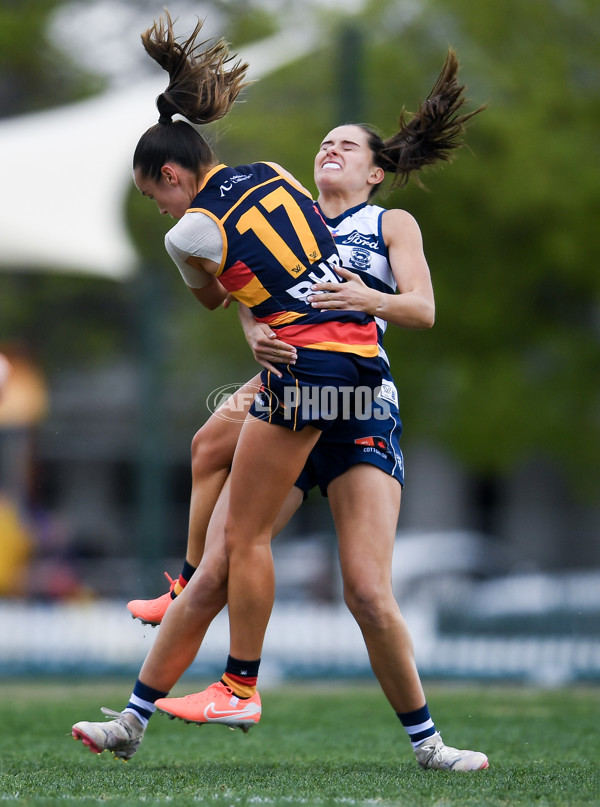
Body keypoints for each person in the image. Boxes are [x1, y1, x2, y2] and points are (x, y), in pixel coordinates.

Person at [72, 29, 488, 772]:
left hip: (360, 399)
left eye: (346, 145)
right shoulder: (288, 199)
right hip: (301, 373)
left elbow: (422, 309)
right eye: (324, 142)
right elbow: (247, 280)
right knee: (218, 516)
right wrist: (254, 327)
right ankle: (137, 709)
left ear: (374, 167)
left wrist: (370, 295)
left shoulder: (388, 223)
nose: (330, 149)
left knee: (365, 590)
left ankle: (426, 742)